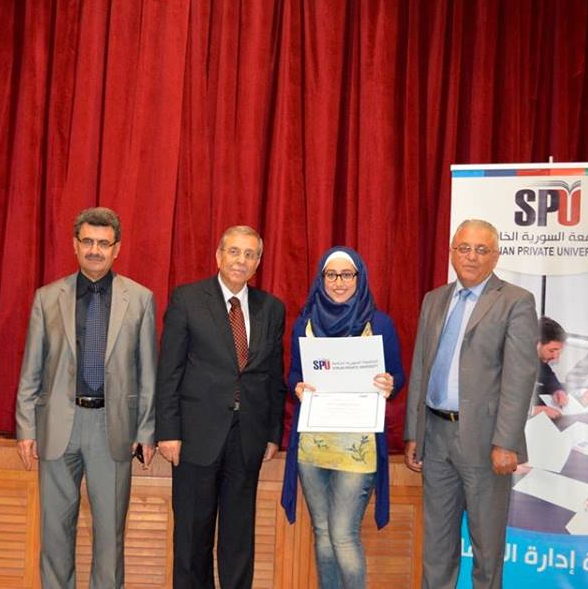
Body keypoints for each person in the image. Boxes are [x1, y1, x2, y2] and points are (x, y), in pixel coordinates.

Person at [14, 207, 156, 589]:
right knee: (55, 533)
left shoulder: (140, 299)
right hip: (58, 426)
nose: (95, 250)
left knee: (110, 535)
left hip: (113, 428)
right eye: (88, 242)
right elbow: (31, 369)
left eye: (103, 243)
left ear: (117, 249)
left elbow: (147, 372)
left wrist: (146, 430)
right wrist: (25, 427)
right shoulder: (47, 298)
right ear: (75, 245)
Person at [404, 218, 538, 589]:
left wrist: (506, 442)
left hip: (485, 441)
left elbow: (519, 377)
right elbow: (420, 368)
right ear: (452, 252)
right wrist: (414, 433)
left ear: (496, 256)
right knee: (437, 546)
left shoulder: (516, 301)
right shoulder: (434, 299)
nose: (472, 257)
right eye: (464, 248)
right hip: (435, 435)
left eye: (482, 250)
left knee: (487, 547)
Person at [156, 225, 286, 589]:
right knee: (192, 537)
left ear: (258, 262)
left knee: (238, 538)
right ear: (218, 255)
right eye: (234, 251)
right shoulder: (187, 299)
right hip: (196, 437)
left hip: (248, 438)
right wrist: (168, 431)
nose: (241, 260)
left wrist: (273, 433)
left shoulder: (271, 308)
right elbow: (169, 370)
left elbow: (273, 376)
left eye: (249, 254)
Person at [279, 247, 406, 588]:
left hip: (357, 445)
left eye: (347, 275)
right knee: (322, 533)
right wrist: (297, 386)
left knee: (343, 534)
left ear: (359, 278)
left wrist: (390, 383)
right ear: (321, 278)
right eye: (331, 275)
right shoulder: (304, 323)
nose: (339, 282)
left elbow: (398, 375)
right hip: (313, 443)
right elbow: (293, 374)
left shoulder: (379, 323)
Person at [531, 317, 569, 419]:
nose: (556, 357)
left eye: (559, 351)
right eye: (552, 351)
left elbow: (548, 376)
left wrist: (557, 390)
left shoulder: (537, 359)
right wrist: (535, 410)